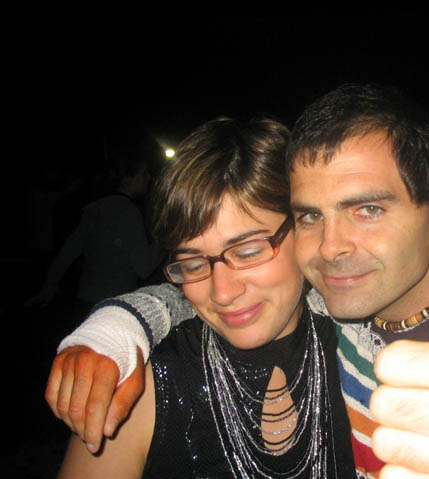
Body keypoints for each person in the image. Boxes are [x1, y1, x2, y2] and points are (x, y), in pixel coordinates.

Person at [48, 85, 429, 478]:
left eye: (368, 209)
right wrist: (118, 325)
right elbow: (209, 295)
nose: (331, 249)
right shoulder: (339, 310)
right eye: (311, 216)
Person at [57, 117, 355, 478]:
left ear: (305, 228)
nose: (223, 292)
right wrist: (116, 323)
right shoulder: (140, 389)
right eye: (193, 263)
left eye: (247, 252)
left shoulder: (362, 354)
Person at [26, 147, 162, 322]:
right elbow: (144, 268)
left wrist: (49, 284)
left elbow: (68, 251)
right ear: (128, 178)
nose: (149, 178)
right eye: (143, 173)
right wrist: (162, 237)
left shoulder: (95, 207)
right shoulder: (127, 212)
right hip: (112, 307)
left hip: (85, 302)